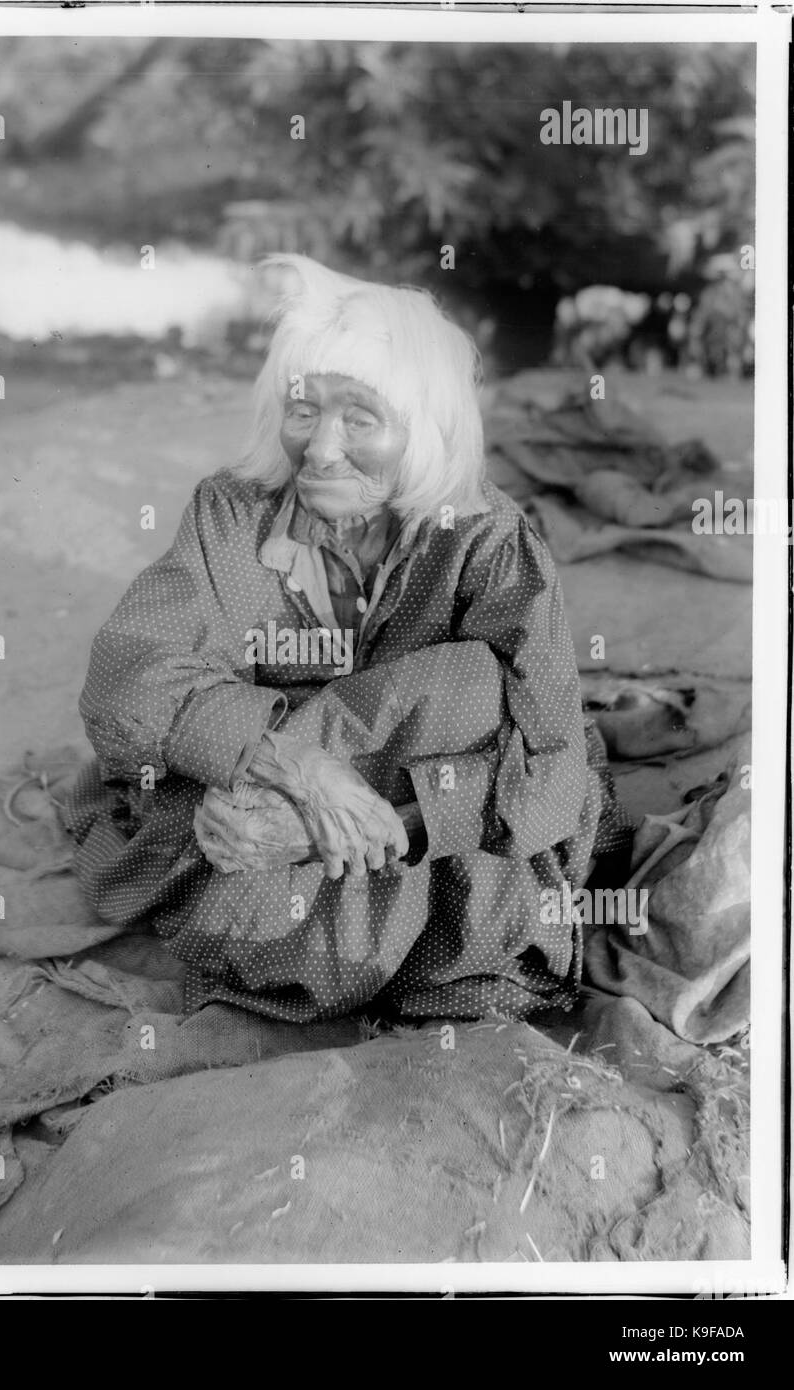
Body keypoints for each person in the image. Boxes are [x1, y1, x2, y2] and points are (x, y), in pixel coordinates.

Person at [64, 255, 629, 1023]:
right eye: (304, 411)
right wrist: (300, 771)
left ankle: (373, 915)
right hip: (253, 800)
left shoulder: (487, 541)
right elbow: (133, 674)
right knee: (241, 908)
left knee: (467, 690)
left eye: (360, 419)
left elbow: (553, 760)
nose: (322, 448)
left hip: (422, 817)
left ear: (423, 430)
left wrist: (375, 827)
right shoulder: (232, 513)